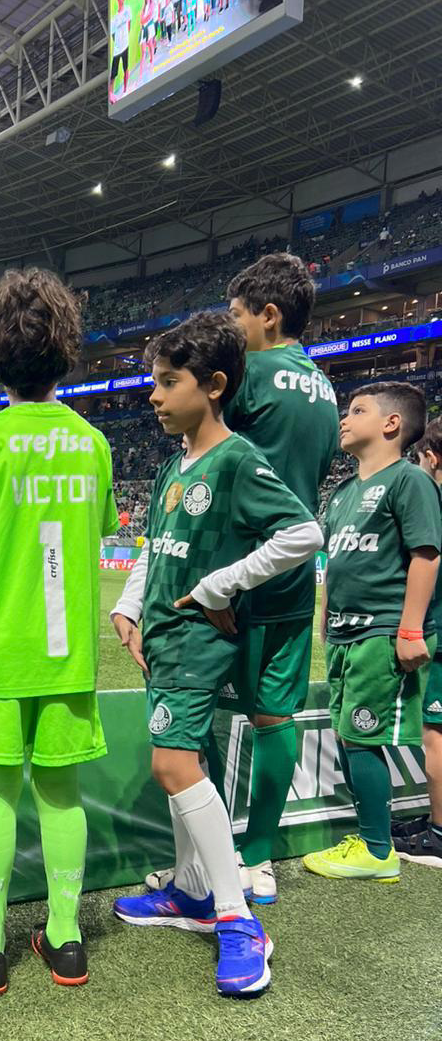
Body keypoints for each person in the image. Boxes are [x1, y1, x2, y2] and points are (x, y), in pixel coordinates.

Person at [111, 313, 321, 998]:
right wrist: (128, 606)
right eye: (154, 381)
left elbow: (303, 534)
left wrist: (220, 585)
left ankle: (238, 918)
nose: (154, 395)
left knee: (171, 766)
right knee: (185, 763)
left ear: (214, 385)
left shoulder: (235, 459)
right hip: (163, 638)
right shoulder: (172, 467)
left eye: (169, 381)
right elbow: (157, 546)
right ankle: (190, 891)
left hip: (199, 639)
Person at [0, 268, 116, 997]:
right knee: (62, 792)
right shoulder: (92, 444)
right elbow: (94, 535)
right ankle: (66, 941)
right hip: (69, 656)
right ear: (66, 348)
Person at [144, 253, 338, 905]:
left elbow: (213, 446)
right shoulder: (324, 387)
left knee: (189, 726)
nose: (232, 328)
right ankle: (257, 858)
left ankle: (208, 875)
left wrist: (220, 582)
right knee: (275, 715)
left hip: (236, 574)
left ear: (268, 316)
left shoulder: (250, 375)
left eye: (236, 316)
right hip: (292, 580)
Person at [303, 383, 440, 882]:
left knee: (362, 736)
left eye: (357, 410)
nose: (344, 419)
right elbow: (335, 563)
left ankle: (378, 851)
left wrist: (410, 629)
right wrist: (325, 616)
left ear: (391, 424)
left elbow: (426, 554)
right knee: (348, 735)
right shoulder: (342, 492)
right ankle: (369, 839)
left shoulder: (409, 480)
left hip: (381, 630)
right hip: (344, 632)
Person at [393, 417, 442, 867]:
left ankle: (439, 832)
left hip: (439, 633)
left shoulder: (433, 504)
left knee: (436, 735)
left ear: (430, 457)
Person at [110, 0, 133, 96]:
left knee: (125, 67)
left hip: (125, 45)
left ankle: (125, 90)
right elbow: (112, 33)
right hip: (117, 49)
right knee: (113, 74)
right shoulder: (114, 18)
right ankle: (111, 93)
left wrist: (126, 36)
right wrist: (117, 42)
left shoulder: (127, 9)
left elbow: (129, 23)